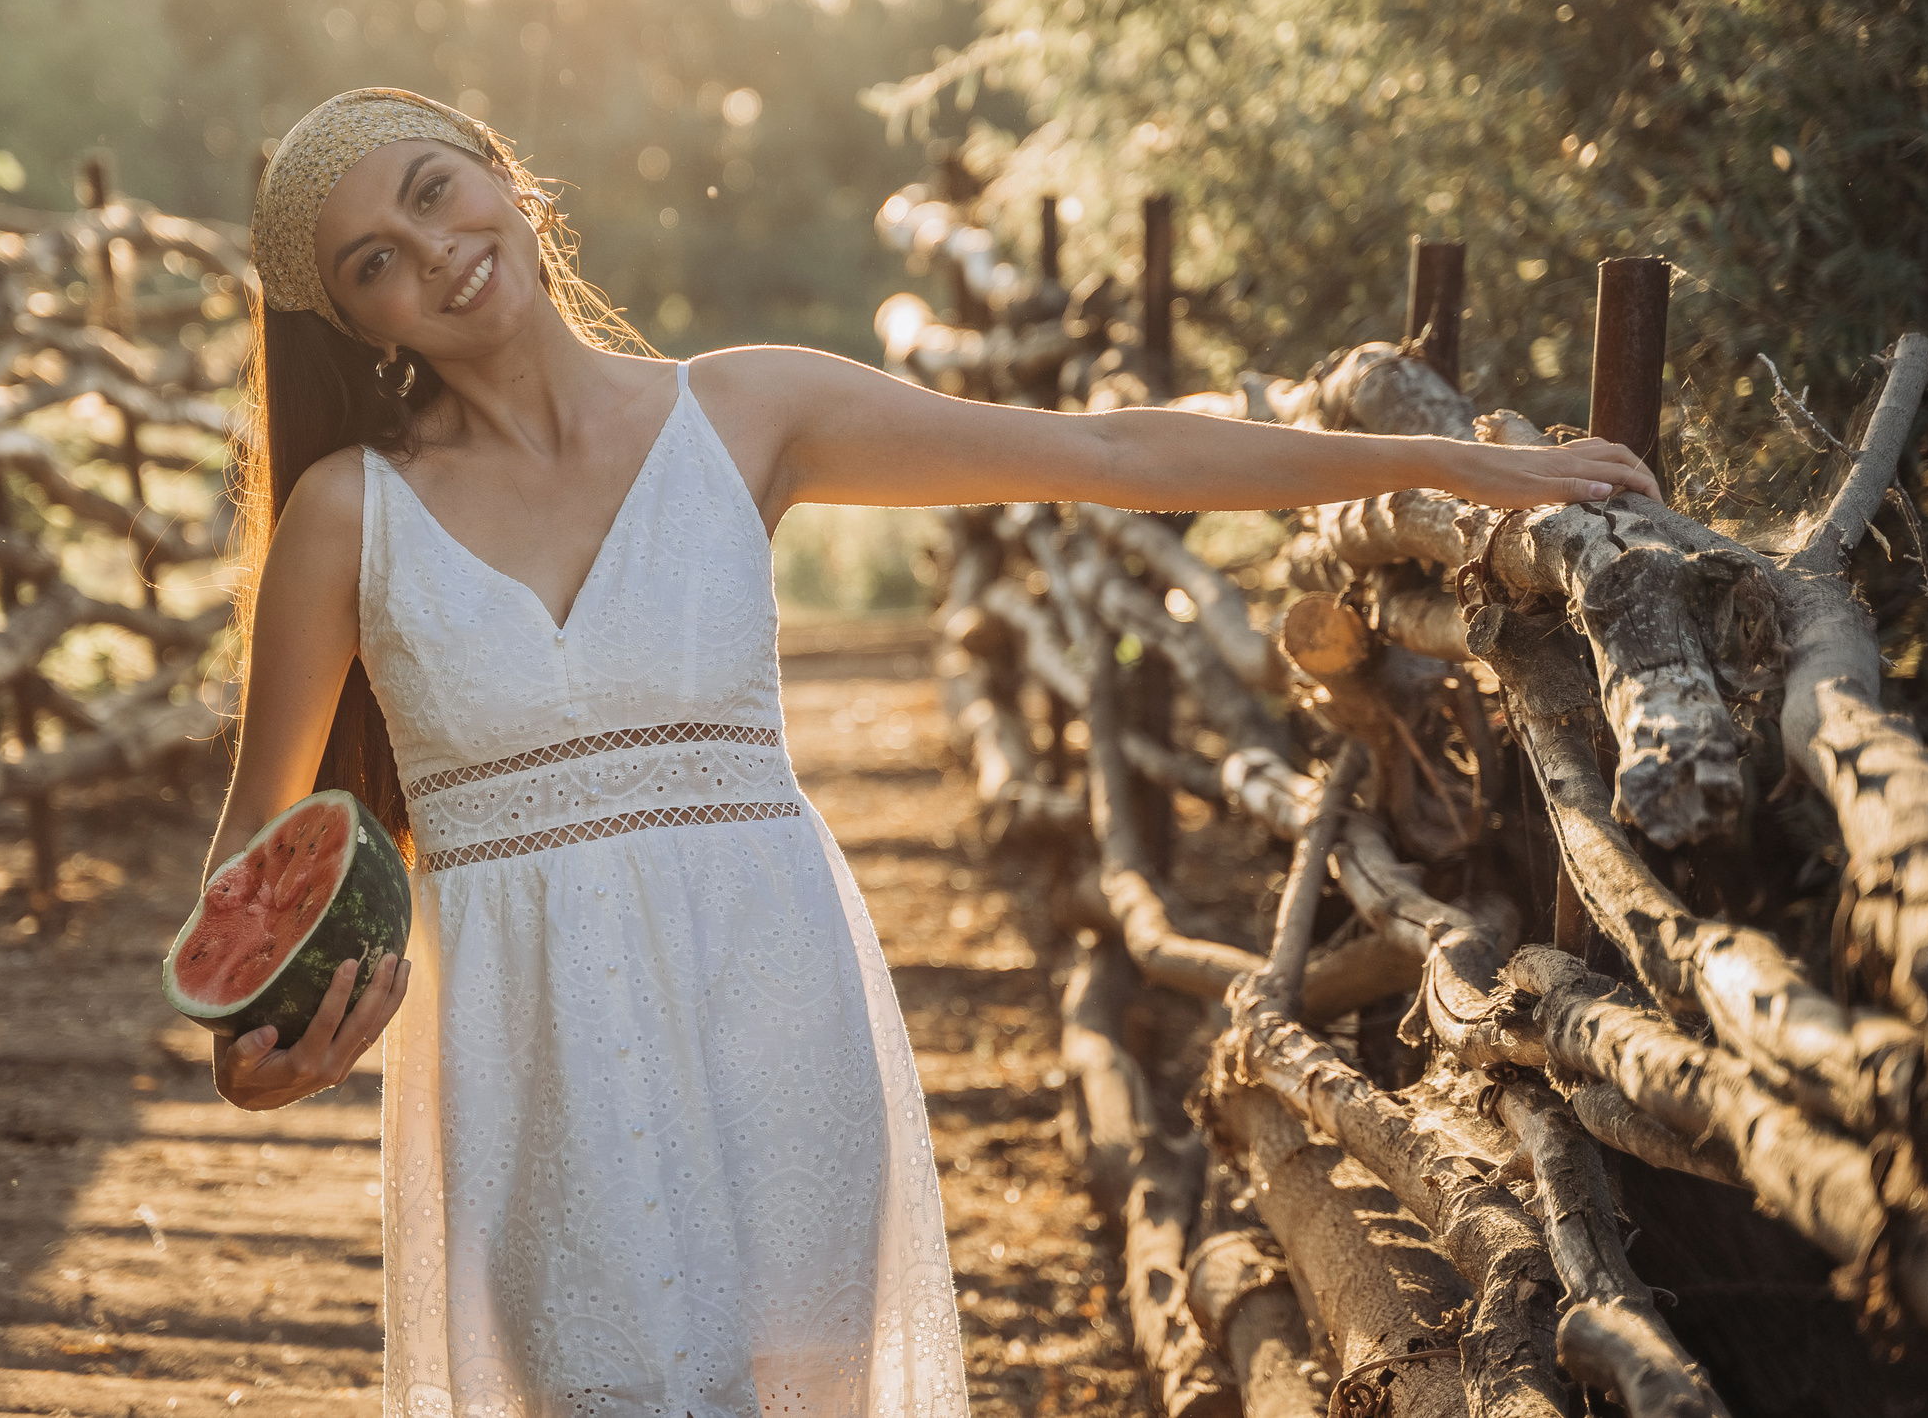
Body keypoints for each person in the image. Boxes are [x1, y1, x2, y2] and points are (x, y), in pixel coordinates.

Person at [201, 87, 1657, 1418]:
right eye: (372, 260)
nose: (431, 250)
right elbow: (255, 862)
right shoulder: (349, 515)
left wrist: (1460, 463)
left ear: (510, 183)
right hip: (530, 1071)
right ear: (359, 325)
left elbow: (1104, 457)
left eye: (437, 191)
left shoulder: (747, 412)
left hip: (773, 1011)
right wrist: (255, 1056)